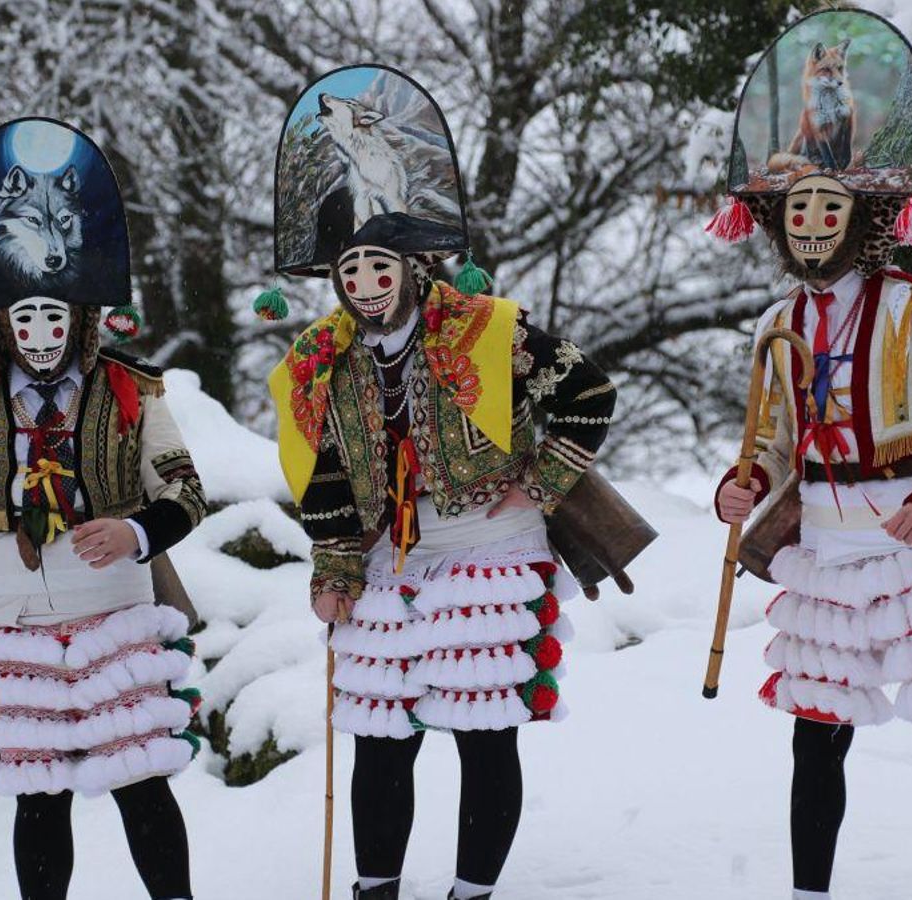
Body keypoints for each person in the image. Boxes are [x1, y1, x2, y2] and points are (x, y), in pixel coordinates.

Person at [262, 65, 616, 900]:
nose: (368, 286)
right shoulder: (318, 361)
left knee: (482, 731)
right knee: (382, 732)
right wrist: (336, 571)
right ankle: (376, 887)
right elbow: (324, 479)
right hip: (390, 556)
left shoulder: (486, 326)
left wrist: (544, 478)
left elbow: (590, 395)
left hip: (489, 547)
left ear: (413, 264)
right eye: (352, 273)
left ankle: (472, 892)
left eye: (381, 268)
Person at [704, 11, 912, 900]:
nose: (811, 222)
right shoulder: (777, 325)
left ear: (863, 217)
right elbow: (772, 442)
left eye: (828, 206)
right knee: (816, 740)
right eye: (798, 207)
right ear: (777, 220)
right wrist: (747, 486)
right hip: (825, 548)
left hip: (911, 547)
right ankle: (810, 892)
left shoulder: (911, 309)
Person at [0, 117, 205, 900]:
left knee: (139, 779)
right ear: (1, 322)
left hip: (113, 607)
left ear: (81, 320)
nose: (38, 334)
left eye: (53, 318)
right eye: (23, 318)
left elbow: (185, 491)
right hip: (6, 613)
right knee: (39, 789)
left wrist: (134, 529)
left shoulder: (133, 391)